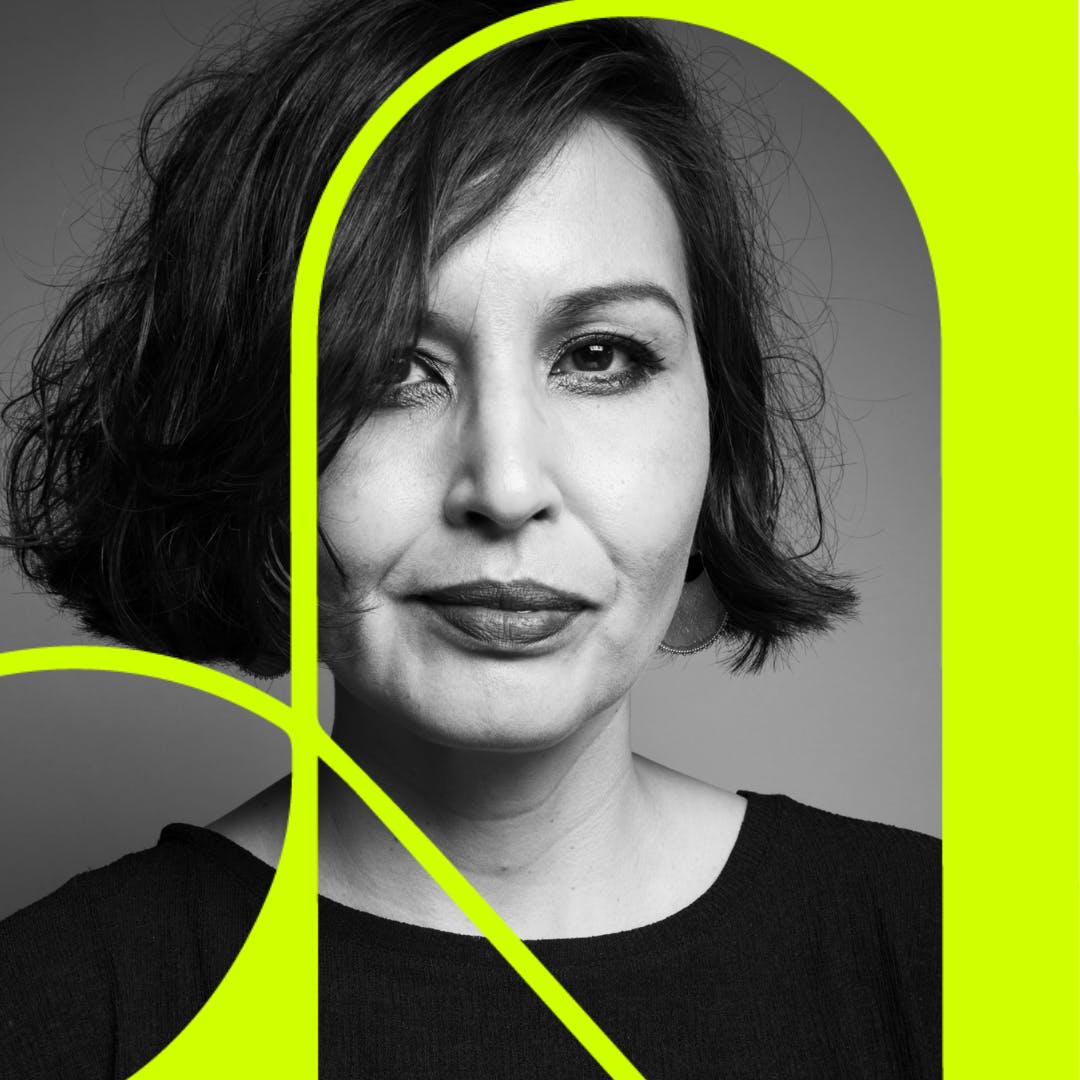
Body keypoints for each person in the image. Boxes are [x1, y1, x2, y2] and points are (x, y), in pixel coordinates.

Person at [0, 2, 940, 1077]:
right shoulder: (57, 1012)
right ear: (248, 429)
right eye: (391, 368)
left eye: (599, 356)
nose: (505, 486)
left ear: (716, 426)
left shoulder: (967, 960)